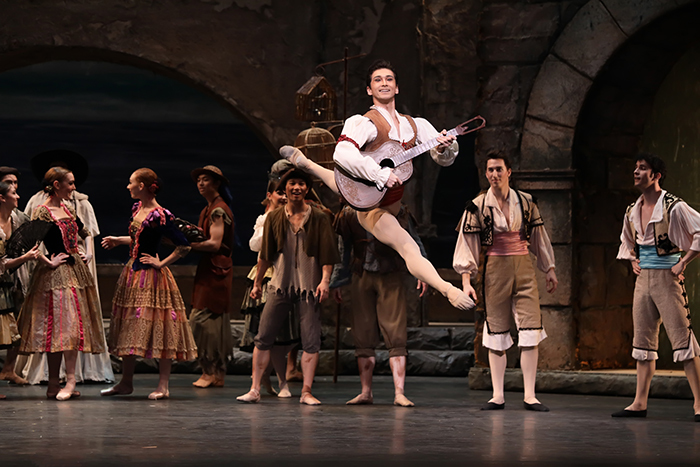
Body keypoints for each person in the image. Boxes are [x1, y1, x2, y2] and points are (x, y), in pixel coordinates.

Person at [280, 59, 473, 312]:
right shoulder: (364, 123)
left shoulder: (416, 125)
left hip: (391, 200)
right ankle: (448, 289)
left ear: (397, 88)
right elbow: (343, 155)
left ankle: (307, 164)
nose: (384, 83)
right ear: (370, 90)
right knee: (407, 245)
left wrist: (445, 147)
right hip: (372, 210)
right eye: (378, 80)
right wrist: (380, 175)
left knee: (341, 184)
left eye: (389, 79)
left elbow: (443, 159)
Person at [453, 154, 558, 412]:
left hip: (522, 265)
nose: (494, 174)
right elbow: (467, 246)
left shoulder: (525, 202)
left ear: (509, 171)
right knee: (496, 329)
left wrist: (550, 269)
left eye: (499, 169)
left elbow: (538, 237)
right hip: (495, 268)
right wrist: (466, 280)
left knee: (530, 329)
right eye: (490, 170)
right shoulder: (477, 206)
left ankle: (530, 395)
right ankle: (497, 395)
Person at [237, 168, 339, 405]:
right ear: (285, 188)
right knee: (264, 336)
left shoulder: (319, 217)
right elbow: (265, 254)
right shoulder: (274, 217)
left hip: (308, 285)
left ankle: (306, 391)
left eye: (301, 184)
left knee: (311, 339)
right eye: (292, 184)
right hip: (280, 283)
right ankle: (254, 389)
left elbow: (328, 255)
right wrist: (257, 282)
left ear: (307, 188)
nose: (297, 188)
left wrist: (325, 281)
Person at [612, 153, 700, 421]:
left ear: (656, 175)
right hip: (643, 281)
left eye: (643, 168)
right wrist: (633, 261)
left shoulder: (674, 206)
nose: (636, 172)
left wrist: (683, 262)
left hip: (666, 278)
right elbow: (627, 241)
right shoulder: (632, 209)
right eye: (635, 168)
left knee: (682, 339)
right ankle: (639, 402)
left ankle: (699, 403)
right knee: (643, 342)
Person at [100, 168, 197, 400]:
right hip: (132, 273)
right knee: (129, 326)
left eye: (131, 182)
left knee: (161, 326)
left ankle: (163, 385)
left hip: (152, 277)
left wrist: (161, 263)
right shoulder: (138, 209)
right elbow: (138, 240)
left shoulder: (159, 214)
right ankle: (126, 382)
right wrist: (118, 240)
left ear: (142, 186)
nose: (128, 186)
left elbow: (183, 245)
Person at [18, 151, 114, 384]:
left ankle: (70, 380)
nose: (73, 187)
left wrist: (84, 252)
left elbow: (85, 232)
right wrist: (47, 260)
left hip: (75, 272)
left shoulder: (69, 209)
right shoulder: (43, 210)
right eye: (70, 183)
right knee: (57, 329)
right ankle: (55, 382)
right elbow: (28, 244)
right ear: (56, 185)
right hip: (55, 274)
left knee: (71, 327)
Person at [332, 202, 427, 407]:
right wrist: (337, 280)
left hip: (390, 273)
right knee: (363, 332)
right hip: (361, 274)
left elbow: (413, 242)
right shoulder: (350, 213)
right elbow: (343, 248)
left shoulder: (398, 211)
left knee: (396, 331)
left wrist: (422, 270)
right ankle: (366, 391)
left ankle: (399, 392)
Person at [239, 174, 296, 397]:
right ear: (269, 195)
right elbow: (256, 246)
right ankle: (262, 384)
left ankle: (281, 381)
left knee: (281, 334)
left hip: (285, 276)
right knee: (264, 333)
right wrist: (270, 219)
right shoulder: (264, 219)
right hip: (265, 276)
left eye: (285, 192)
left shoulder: (293, 216)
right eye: (279, 192)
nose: (283, 197)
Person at [189, 165, 235, 388]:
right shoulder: (208, 209)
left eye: (205, 180)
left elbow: (215, 243)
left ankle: (210, 371)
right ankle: (215, 372)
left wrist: (188, 245)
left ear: (216, 184)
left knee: (203, 321)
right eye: (198, 180)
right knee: (212, 322)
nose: (200, 184)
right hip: (212, 268)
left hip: (217, 270)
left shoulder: (218, 210)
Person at [0, 180, 41, 398]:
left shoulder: (18, 218)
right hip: (2, 276)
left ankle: (8, 369)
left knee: (16, 324)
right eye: (14, 193)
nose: (18, 197)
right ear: (2, 197)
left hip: (13, 279)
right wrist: (24, 257)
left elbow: (33, 235)